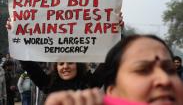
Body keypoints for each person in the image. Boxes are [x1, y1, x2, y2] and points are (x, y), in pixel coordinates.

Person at [45, 34, 183, 105]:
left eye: (170, 70)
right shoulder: (49, 83)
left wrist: (116, 31)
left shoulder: (89, 82)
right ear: (112, 92)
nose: (164, 79)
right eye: (143, 70)